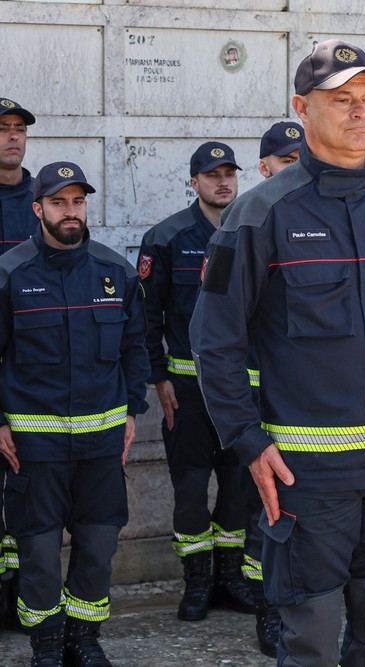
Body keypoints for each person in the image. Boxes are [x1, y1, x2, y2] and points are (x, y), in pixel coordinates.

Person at [189, 39, 365, 666]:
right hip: (307, 474)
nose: (359, 112)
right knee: (309, 638)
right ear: (302, 107)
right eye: (341, 100)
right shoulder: (260, 214)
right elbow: (216, 339)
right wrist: (247, 440)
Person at [0, 162, 149, 666]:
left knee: (98, 546)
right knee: (39, 554)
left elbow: (136, 348)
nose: (71, 212)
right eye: (59, 203)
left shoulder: (116, 271)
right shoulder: (11, 274)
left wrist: (132, 411)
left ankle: (84, 639)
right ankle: (45, 644)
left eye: (78, 202)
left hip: (102, 445)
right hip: (34, 447)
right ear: (37, 208)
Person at [138, 141, 255, 623]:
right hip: (185, 394)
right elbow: (145, 315)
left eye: (229, 172)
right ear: (194, 182)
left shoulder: (255, 231)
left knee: (239, 489)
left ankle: (231, 578)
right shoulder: (166, 238)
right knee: (189, 492)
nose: (222, 181)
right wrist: (158, 378)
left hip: (244, 393)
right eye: (212, 174)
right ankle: (198, 582)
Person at [239, 121, 302, 657]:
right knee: (262, 510)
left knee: (291, 515)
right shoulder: (253, 223)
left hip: (300, 405)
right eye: (285, 161)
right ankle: (266, 607)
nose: (295, 169)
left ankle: (289, 608)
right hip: (256, 403)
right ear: (265, 169)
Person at [0, 97, 37, 631]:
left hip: (32, 369)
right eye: (3, 129)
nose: (12, 137)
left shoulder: (46, 197)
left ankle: (19, 594)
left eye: (17, 129)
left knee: (26, 488)